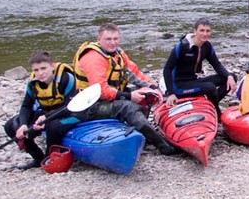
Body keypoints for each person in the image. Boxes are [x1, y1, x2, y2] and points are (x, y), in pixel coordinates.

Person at [73, 22, 176, 155]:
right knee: (127, 106)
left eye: (115, 39)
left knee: (146, 95)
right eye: (108, 39)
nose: (112, 43)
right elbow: (102, 91)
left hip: (109, 99)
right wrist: (129, 96)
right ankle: (162, 146)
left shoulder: (118, 54)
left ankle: (144, 133)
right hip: (91, 106)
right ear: (99, 40)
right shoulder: (93, 58)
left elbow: (135, 73)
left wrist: (153, 88)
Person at [3, 51, 79, 170]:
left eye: (43, 68)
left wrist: (46, 119)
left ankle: (50, 158)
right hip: (46, 114)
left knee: (52, 126)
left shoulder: (66, 78)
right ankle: (38, 158)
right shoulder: (33, 83)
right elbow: (26, 106)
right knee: (10, 126)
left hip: (71, 113)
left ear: (52, 66)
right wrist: (23, 125)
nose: (40, 73)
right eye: (36, 70)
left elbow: (69, 106)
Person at [162, 17, 237, 115]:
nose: (205, 34)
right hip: (179, 86)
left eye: (207, 31)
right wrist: (171, 93)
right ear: (195, 31)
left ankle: (210, 105)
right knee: (210, 87)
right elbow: (167, 69)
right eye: (201, 30)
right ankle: (217, 113)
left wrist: (229, 76)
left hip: (193, 81)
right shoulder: (182, 47)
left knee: (232, 78)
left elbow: (217, 65)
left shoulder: (207, 46)